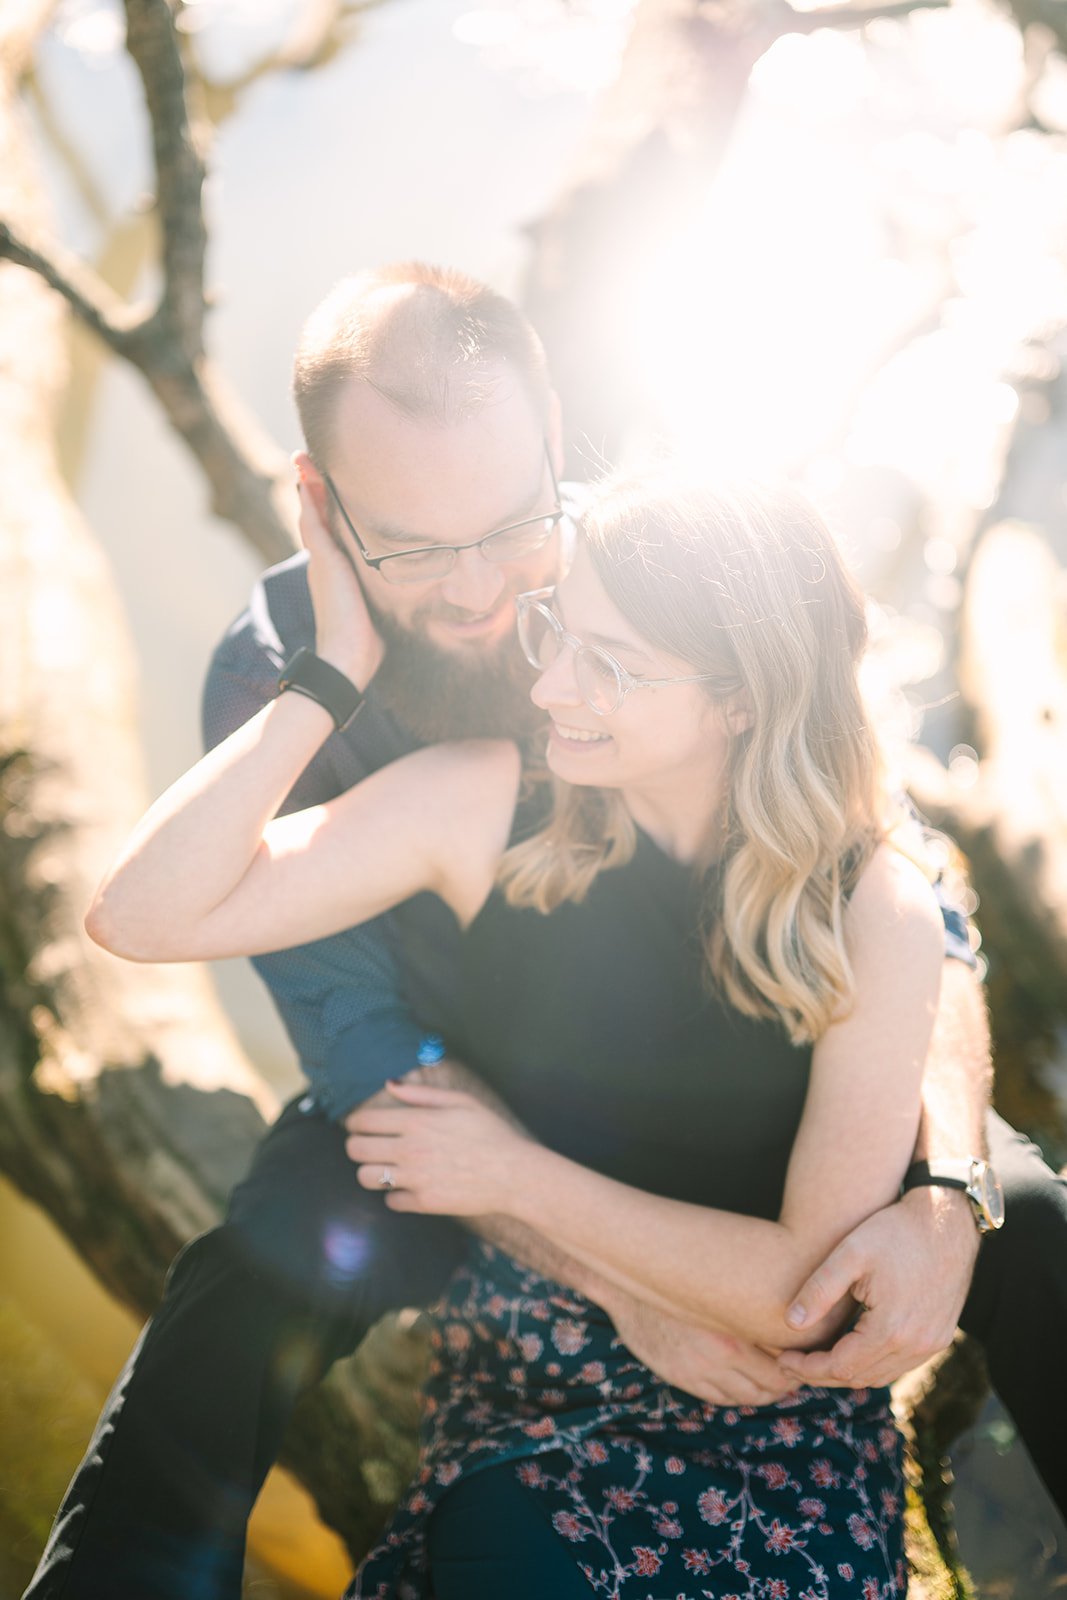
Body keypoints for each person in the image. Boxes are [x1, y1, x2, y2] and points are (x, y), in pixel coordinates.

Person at [25, 264, 1066, 1600]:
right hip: (450, 1072)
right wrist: (589, 1254)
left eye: (511, 531)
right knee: (243, 1292)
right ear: (328, 506)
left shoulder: (657, 566)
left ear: (555, 444)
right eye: (414, 547)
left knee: (1030, 1222)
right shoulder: (296, 678)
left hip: (748, 1062)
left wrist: (953, 1179)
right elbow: (323, 1021)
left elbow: (892, 869)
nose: (487, 606)